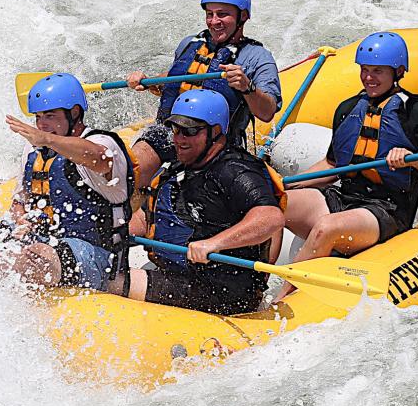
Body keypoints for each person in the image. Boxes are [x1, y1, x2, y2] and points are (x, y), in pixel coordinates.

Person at [0, 73, 133, 291]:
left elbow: (99, 158)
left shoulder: (102, 142)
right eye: (38, 117)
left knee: (35, 257)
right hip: (41, 239)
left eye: (49, 116)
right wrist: (21, 221)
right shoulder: (34, 148)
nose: (41, 124)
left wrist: (47, 139)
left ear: (74, 113)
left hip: (94, 254)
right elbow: (20, 201)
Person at [282, 32, 418, 278]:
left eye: (377, 71)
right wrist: (286, 185)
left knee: (326, 227)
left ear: (398, 72)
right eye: (364, 70)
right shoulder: (348, 108)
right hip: (344, 199)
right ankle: (256, 287)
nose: (368, 77)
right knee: (271, 204)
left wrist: (415, 159)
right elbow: (331, 164)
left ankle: (285, 296)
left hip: (387, 211)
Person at [105, 90, 285, 315]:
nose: (179, 139)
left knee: (111, 281)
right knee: (101, 267)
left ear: (215, 132)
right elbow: (147, 219)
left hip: (222, 291)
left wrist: (213, 244)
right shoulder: (180, 169)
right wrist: (110, 232)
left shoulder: (235, 170)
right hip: (182, 276)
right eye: (175, 130)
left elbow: (271, 217)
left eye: (189, 131)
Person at [125, 0, 282, 190]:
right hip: (169, 132)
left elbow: (267, 111)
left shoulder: (257, 57)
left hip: (214, 147)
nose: (214, 21)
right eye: (210, 14)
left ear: (243, 16)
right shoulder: (189, 44)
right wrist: (148, 81)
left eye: (222, 14)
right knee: (126, 178)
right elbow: (177, 81)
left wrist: (247, 87)